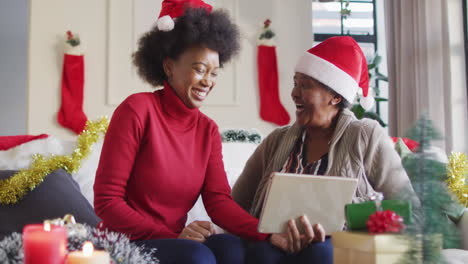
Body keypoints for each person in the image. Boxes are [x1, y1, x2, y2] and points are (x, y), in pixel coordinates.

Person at [93, 1, 269, 263]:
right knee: (197, 257)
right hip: (125, 240)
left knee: (233, 249)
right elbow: (107, 201)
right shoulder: (137, 110)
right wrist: (171, 237)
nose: (208, 81)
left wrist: (268, 234)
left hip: (175, 240)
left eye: (214, 73)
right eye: (199, 69)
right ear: (168, 66)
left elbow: (218, 201)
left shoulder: (207, 130)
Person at [232, 36, 416, 264]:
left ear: (336, 96)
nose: (294, 93)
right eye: (295, 83)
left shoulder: (366, 136)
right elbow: (236, 204)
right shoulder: (277, 141)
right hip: (274, 244)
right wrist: (266, 233)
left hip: (337, 245)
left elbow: (407, 208)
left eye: (305, 85)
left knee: (321, 253)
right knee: (262, 254)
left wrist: (341, 218)